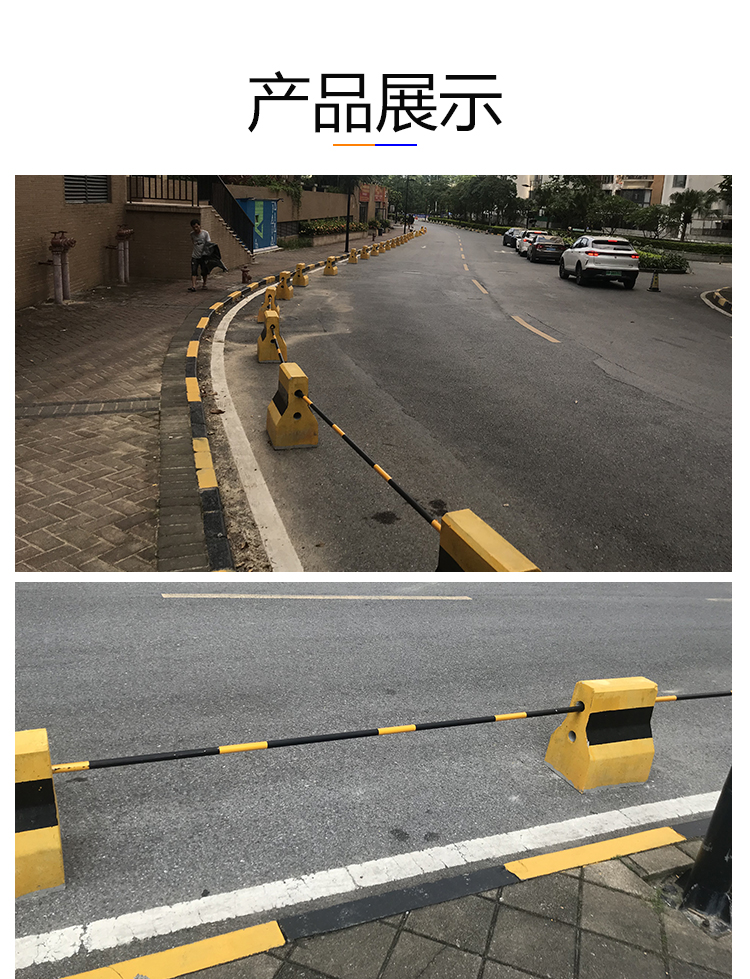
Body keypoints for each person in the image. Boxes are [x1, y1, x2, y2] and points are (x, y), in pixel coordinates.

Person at [189, 219, 210, 291]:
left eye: (197, 227)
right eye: (194, 227)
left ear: (199, 226)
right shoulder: (192, 234)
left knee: (204, 271)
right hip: (195, 255)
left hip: (203, 256)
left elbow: (208, 244)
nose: (196, 229)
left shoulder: (205, 233)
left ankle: (204, 284)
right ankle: (193, 286)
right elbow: (193, 242)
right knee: (193, 270)